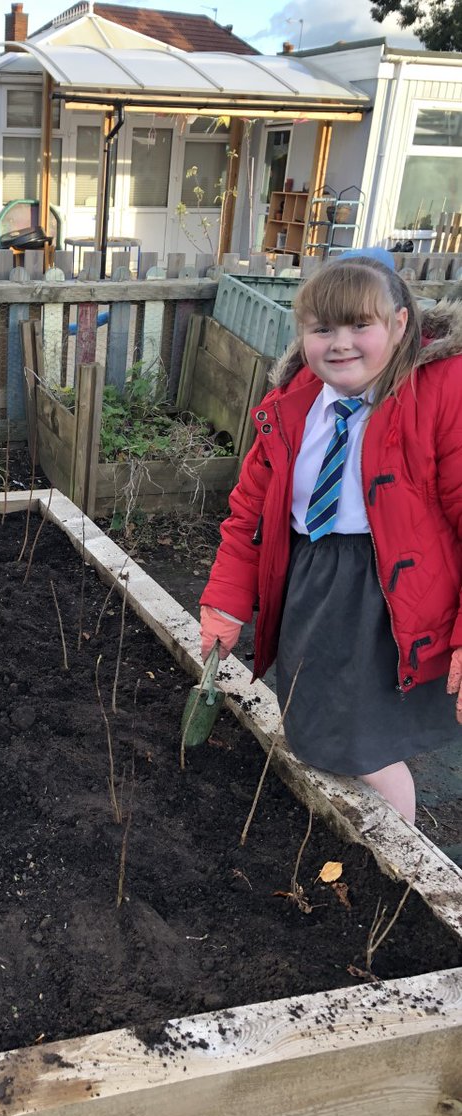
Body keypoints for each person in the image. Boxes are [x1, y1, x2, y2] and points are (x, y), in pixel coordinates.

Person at [199, 250, 462, 856]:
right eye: (322, 329)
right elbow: (250, 517)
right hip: (312, 584)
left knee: (361, 742)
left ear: (400, 325)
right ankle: (357, 830)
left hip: (388, 597)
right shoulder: (293, 405)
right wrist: (225, 602)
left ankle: (397, 860)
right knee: (315, 719)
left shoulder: (438, 400)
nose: (340, 344)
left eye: (359, 326)